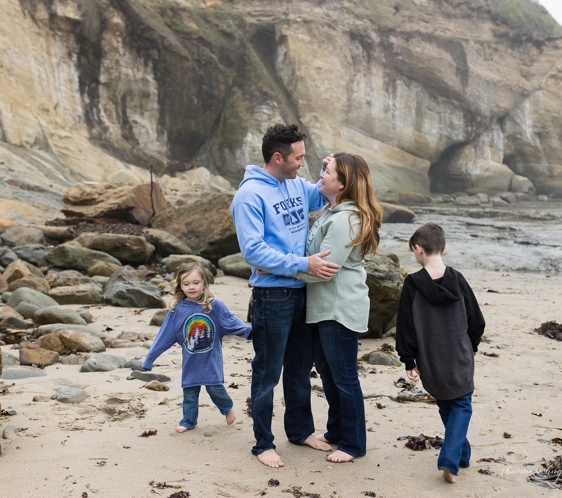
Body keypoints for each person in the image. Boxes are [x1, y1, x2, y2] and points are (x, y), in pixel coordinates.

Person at [230, 123, 340, 468]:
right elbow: (253, 252)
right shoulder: (249, 196)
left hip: (300, 293)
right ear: (278, 157)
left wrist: (329, 169)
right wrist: (301, 263)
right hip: (272, 297)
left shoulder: (294, 184)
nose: (302, 165)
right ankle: (263, 443)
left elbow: (323, 193)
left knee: (298, 368)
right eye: (299, 158)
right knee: (267, 372)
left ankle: (300, 431)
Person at [289, 152, 384, 463]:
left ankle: (354, 443)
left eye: (326, 171)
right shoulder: (332, 212)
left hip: (339, 309)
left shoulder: (346, 218)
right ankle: (336, 429)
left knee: (343, 377)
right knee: (329, 375)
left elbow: (325, 268)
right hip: (324, 307)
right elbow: (313, 260)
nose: (321, 175)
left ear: (342, 183)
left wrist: (280, 269)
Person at [395, 222, 486, 484]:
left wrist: (408, 359)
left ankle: (462, 456)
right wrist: (474, 344)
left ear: (418, 249)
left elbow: (405, 326)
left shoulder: (412, 284)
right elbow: (476, 319)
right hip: (459, 354)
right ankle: (449, 460)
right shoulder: (457, 279)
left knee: (448, 404)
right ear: (444, 248)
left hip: (430, 358)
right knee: (461, 405)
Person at [142, 262, 252, 433]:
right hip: (190, 361)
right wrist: (150, 359)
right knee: (190, 394)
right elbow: (164, 336)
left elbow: (232, 323)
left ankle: (227, 407)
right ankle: (188, 420)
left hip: (211, 360)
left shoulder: (215, 306)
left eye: (196, 283)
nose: (191, 287)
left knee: (215, 389)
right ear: (180, 286)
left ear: (204, 283)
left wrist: (250, 333)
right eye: (186, 284)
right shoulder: (177, 310)